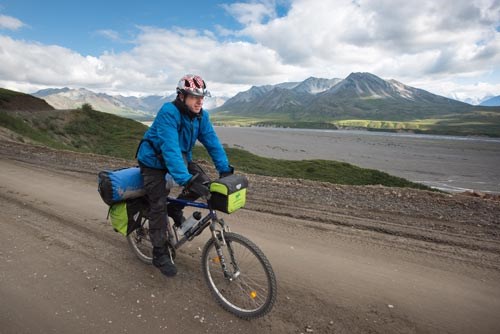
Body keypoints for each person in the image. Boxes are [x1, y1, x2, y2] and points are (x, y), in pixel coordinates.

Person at [136, 74, 233, 277]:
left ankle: (176, 208)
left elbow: (212, 143)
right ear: (181, 96)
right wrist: (185, 179)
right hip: (153, 162)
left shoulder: (201, 116)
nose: (199, 101)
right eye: (194, 96)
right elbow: (169, 148)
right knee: (158, 205)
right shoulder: (168, 112)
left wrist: (224, 169)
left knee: (205, 183)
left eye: (202, 96)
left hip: (179, 158)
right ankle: (159, 252)